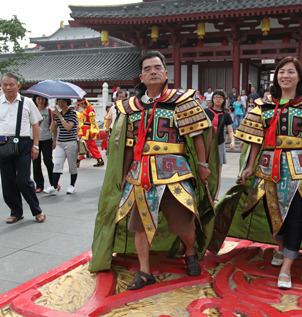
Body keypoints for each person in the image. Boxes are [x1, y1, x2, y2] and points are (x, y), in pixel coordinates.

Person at [88, 51, 218, 290]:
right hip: (141, 174)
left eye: (157, 67)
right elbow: (127, 145)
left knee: (183, 223)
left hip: (174, 170)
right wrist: (125, 173)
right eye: (147, 69)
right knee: (139, 225)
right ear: (141, 76)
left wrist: (203, 165)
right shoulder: (130, 107)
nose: (153, 72)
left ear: (166, 73)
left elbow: (197, 135)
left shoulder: (183, 100)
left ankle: (189, 252)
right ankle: (145, 271)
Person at [214, 57, 302, 289]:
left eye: (291, 72)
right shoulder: (263, 105)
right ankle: (280, 247)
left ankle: (287, 268)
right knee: (273, 213)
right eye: (281, 72)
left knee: (294, 218)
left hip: (301, 169)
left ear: (300, 77)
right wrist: (250, 165)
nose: (286, 76)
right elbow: (255, 140)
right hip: (268, 168)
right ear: (276, 77)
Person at [0, 73, 45, 224]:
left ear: (18, 86)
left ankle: (37, 210)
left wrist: (36, 146)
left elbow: (35, 126)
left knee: (23, 180)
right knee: (8, 181)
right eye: (5, 84)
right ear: (1, 86)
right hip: (5, 144)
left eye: (11, 84)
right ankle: (16, 212)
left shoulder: (27, 103)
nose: (8, 87)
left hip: (24, 143)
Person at [44, 99, 79, 195]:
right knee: (57, 164)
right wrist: (53, 118)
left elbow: (68, 127)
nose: (60, 104)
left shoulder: (72, 113)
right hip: (60, 142)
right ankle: (54, 186)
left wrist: (60, 116)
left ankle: (72, 185)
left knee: (72, 165)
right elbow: (52, 129)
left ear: (67, 103)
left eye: (63, 102)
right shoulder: (58, 114)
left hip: (71, 142)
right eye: (59, 102)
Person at [205, 90, 235, 201]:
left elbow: (230, 131)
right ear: (212, 99)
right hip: (206, 145)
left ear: (224, 100)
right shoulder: (206, 112)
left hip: (219, 144)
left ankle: (215, 197)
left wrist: (232, 141)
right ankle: (205, 195)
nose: (218, 99)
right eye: (216, 97)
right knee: (205, 170)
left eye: (220, 97)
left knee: (217, 172)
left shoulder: (226, 114)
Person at [32, 95, 54, 194]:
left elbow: (52, 128)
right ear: (35, 100)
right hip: (34, 140)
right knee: (36, 163)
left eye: (43, 99)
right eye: (39, 99)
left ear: (46, 100)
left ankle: (54, 183)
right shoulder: (31, 111)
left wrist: (54, 141)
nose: (41, 101)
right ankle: (39, 185)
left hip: (47, 139)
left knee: (48, 161)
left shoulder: (49, 111)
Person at [78, 96, 104, 167]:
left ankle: (78, 160)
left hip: (88, 131)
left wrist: (93, 132)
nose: (80, 106)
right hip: (84, 130)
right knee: (88, 146)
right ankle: (99, 159)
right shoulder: (85, 110)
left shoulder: (90, 110)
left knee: (83, 145)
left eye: (80, 104)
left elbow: (93, 122)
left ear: (83, 103)